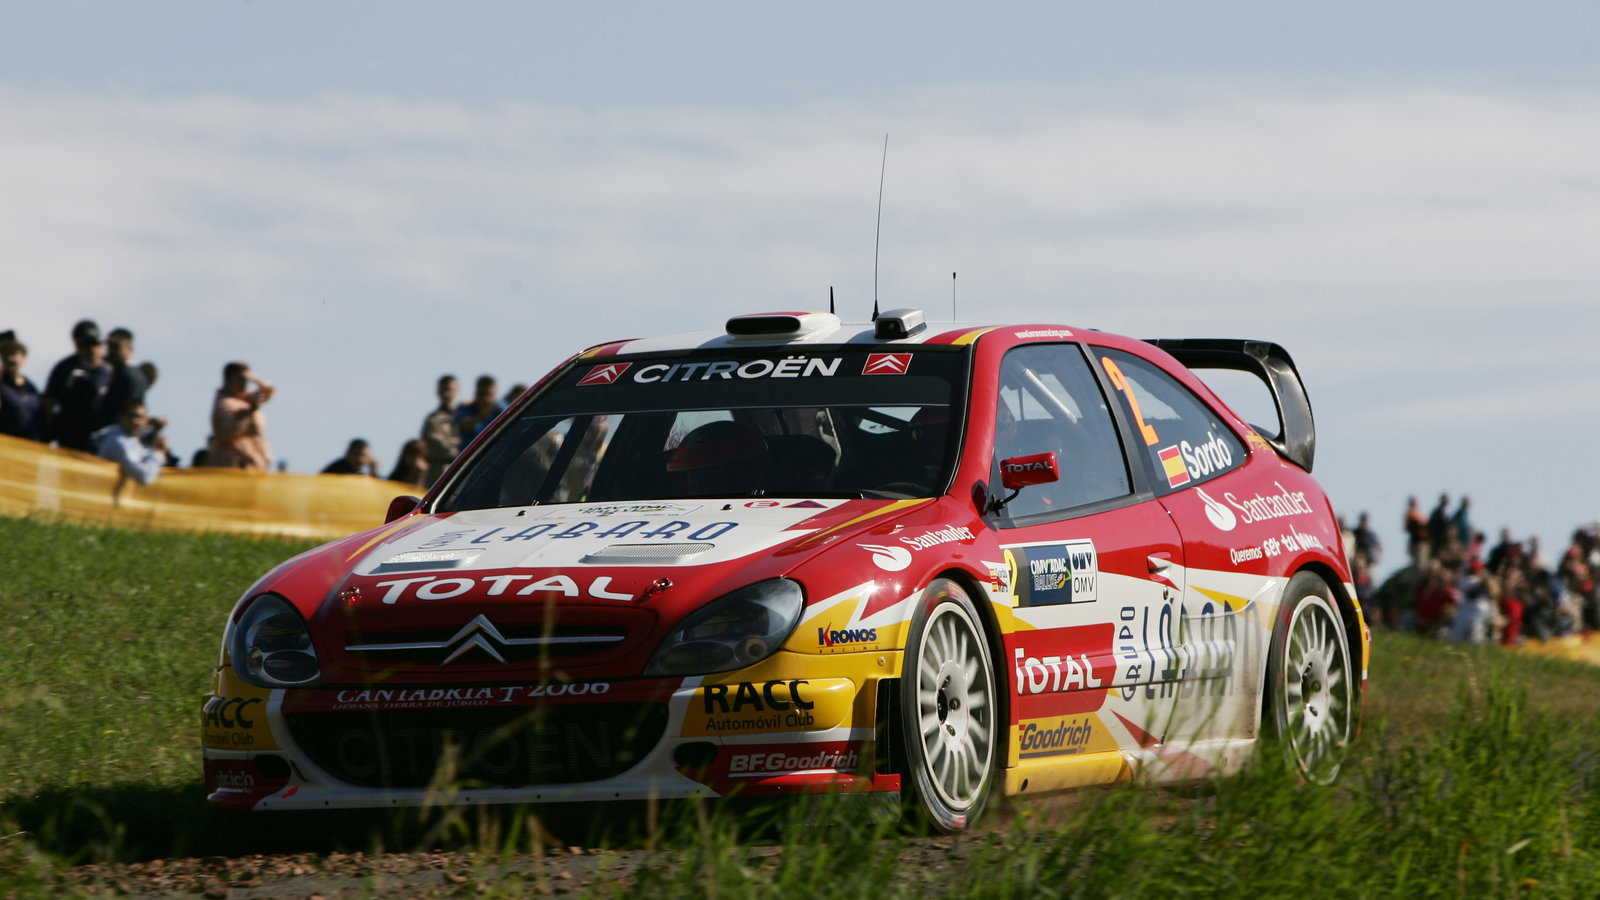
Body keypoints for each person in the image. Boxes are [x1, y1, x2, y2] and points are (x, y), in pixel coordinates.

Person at [43, 319, 111, 453]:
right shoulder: (65, 368)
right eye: (86, 345)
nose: (91, 349)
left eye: (95, 344)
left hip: (102, 444)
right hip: (71, 442)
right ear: (77, 345)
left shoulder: (110, 369)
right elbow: (49, 403)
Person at [209, 362, 274, 470]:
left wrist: (254, 378)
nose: (242, 384)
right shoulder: (224, 403)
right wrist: (248, 412)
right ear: (227, 380)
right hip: (235, 463)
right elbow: (230, 433)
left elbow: (268, 390)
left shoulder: (245, 398)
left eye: (244, 380)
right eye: (238, 379)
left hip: (256, 462)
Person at [94, 402, 168, 487]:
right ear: (121, 417)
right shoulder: (118, 442)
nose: (135, 422)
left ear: (146, 420)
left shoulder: (130, 437)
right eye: (131, 416)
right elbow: (143, 476)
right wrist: (158, 454)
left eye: (140, 417)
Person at [99, 328, 150, 434]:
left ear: (129, 348)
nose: (111, 352)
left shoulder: (129, 376)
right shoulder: (117, 372)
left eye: (116, 347)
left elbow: (131, 411)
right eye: (110, 348)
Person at [0, 333, 45, 441]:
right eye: (7, 354)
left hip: (32, 447)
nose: (12, 359)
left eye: (15, 353)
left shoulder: (31, 388)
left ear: (23, 357)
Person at [420, 374, 461, 486]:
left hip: (463, 469)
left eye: (449, 389)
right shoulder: (433, 420)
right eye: (443, 389)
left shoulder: (464, 416)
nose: (446, 393)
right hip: (440, 470)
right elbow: (436, 445)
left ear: (456, 391)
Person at [455, 374, 505, 446]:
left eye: (489, 395)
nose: (486, 399)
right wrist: (481, 416)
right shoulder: (465, 409)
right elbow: (464, 427)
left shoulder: (502, 409)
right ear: (476, 393)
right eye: (482, 394)